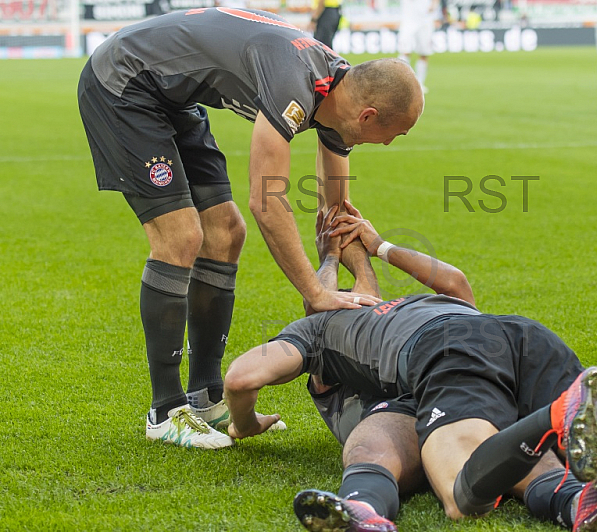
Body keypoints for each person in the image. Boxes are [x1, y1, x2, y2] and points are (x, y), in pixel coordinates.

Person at [224, 203, 597, 532]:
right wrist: (375, 246)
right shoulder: (388, 309)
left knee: (462, 495)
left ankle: (554, 421)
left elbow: (241, 377)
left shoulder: (319, 327)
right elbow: (455, 283)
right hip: (514, 335)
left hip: (447, 353)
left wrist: (245, 423)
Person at [77, 7, 424, 449]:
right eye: (397, 134)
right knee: (181, 236)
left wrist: (361, 275)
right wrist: (315, 293)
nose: (391, 144)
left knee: (225, 232)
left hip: (170, 95)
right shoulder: (294, 85)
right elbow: (267, 201)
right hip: (124, 82)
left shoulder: (340, 93)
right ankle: (165, 412)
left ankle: (206, 398)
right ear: (369, 117)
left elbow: (336, 210)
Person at [398, 0, 439, 93]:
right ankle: (401, 83)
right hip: (409, 19)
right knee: (405, 51)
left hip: (425, 20)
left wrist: (434, 4)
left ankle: (419, 84)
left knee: (424, 53)